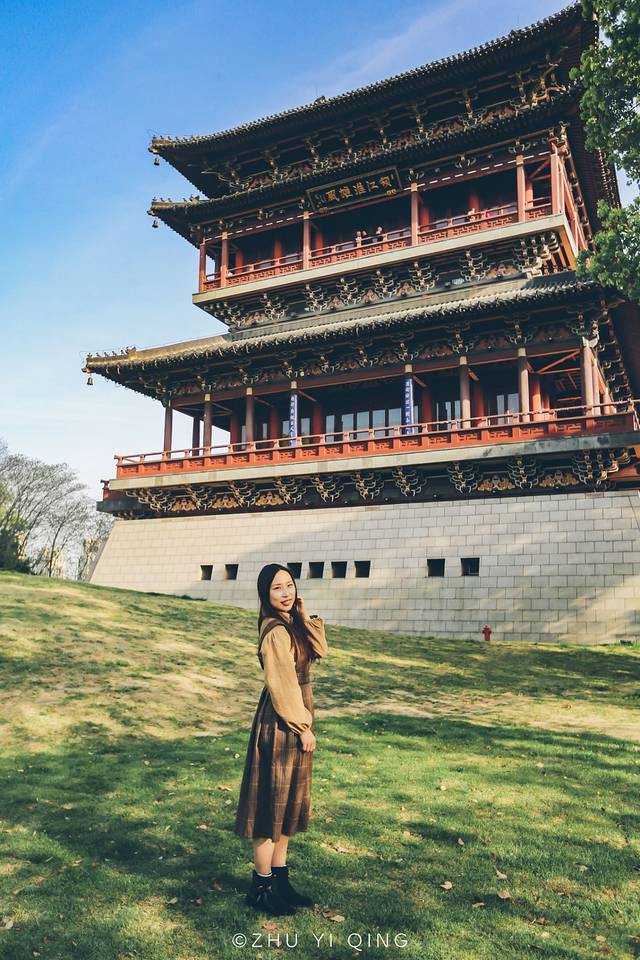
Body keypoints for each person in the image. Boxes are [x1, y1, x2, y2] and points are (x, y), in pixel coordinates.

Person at [233, 563, 328, 916]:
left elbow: (320, 650)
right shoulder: (274, 632)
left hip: (293, 718)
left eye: (289, 585)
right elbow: (283, 686)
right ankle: (261, 888)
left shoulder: (290, 623)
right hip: (281, 722)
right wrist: (302, 727)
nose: (286, 593)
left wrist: (302, 615)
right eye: (277, 588)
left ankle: (280, 880)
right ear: (265, 594)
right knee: (270, 806)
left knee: (286, 804)